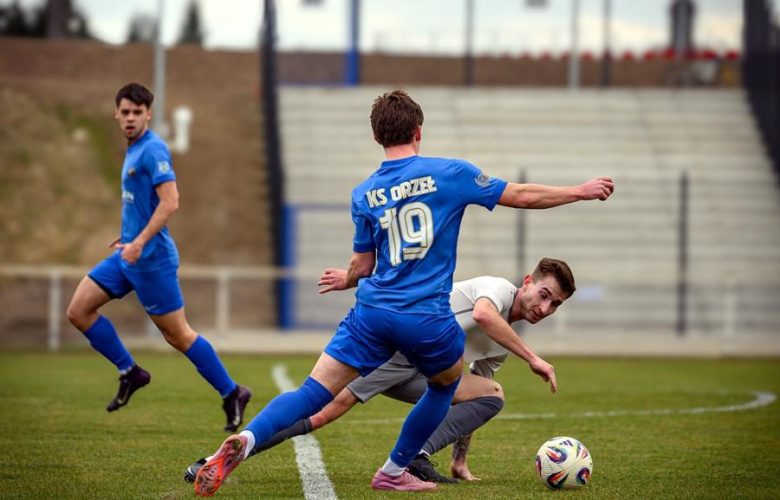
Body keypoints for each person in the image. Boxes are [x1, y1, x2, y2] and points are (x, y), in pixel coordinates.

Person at [193, 89, 613, 496]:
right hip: (424, 316)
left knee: (312, 393)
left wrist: (348, 277)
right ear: (418, 132)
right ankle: (395, 469)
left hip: (371, 311)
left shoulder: (364, 193)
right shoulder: (451, 173)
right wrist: (580, 190)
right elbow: (520, 195)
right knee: (447, 385)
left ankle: (244, 440)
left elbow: (363, 265)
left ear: (378, 137)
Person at [184, 258, 575, 484]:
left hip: (428, 375)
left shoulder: (504, 339)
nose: (545, 308)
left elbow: (475, 393)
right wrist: (534, 358)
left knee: (491, 393)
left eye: (554, 304)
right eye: (543, 295)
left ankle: (417, 456)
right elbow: (483, 314)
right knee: (322, 411)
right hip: (399, 352)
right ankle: (220, 458)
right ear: (527, 283)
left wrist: (461, 459)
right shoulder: (497, 290)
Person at [65, 83, 251, 432]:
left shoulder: (153, 149)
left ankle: (232, 392)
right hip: (127, 255)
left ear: (148, 114)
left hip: (152, 261)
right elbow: (142, 203)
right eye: (125, 112)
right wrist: (129, 234)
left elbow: (171, 201)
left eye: (138, 112)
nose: (131, 118)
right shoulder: (132, 149)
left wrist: (139, 242)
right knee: (79, 310)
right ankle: (130, 371)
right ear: (116, 114)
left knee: (178, 336)